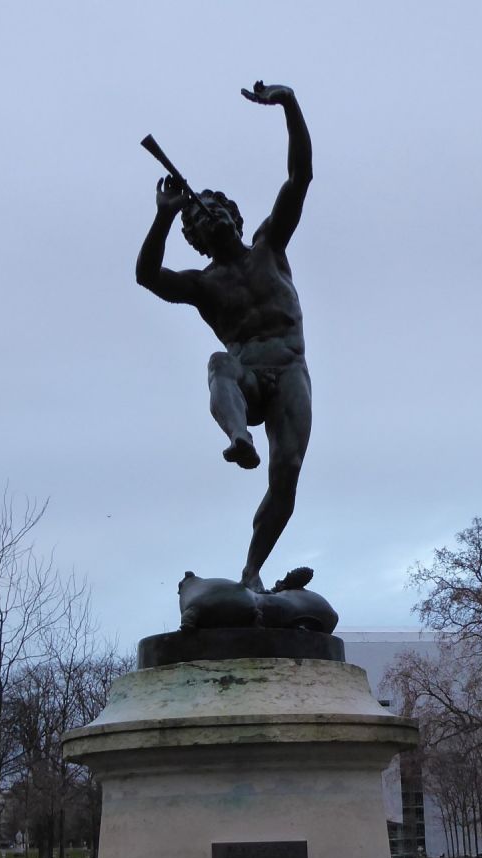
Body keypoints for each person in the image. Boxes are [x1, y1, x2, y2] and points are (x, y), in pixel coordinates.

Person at [136, 81, 312, 593]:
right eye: (195, 217)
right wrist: (164, 215)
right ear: (194, 238)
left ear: (233, 215)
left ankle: (252, 569)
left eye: (211, 207)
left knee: (288, 471)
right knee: (218, 363)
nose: (205, 214)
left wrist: (289, 103)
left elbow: (299, 176)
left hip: (290, 370)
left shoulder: (269, 245)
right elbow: (147, 275)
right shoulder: (203, 285)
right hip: (246, 377)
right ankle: (239, 437)